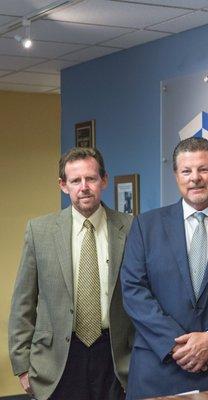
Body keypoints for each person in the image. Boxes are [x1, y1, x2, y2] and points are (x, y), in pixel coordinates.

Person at [121, 137, 208, 399]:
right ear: (176, 176)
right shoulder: (145, 226)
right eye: (186, 171)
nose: (195, 178)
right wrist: (176, 344)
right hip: (158, 366)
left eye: (203, 169)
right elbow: (133, 291)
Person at [8, 147, 134, 400]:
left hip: (113, 358)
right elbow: (23, 302)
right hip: (57, 360)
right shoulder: (40, 231)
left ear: (104, 180)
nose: (84, 187)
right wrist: (22, 366)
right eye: (75, 180)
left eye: (91, 178)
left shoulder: (130, 227)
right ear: (63, 185)